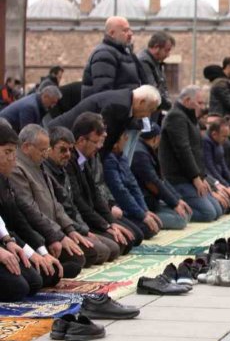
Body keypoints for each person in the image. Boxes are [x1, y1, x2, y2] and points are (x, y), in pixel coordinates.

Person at [10, 124, 87, 276]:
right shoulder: (16, 169)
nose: (46, 155)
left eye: (47, 149)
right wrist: (55, 237)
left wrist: (70, 229)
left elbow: (56, 202)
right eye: (43, 150)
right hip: (38, 232)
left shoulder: (38, 164)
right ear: (26, 147)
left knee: (91, 252)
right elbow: (30, 211)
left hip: (51, 230)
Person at [0, 122, 63, 295]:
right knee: (20, 287)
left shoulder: (3, 180)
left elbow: (17, 219)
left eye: (14, 152)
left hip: (7, 241)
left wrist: (37, 251)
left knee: (45, 275)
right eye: (8, 152)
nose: (13, 158)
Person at [44, 126, 119, 265]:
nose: (67, 154)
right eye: (62, 149)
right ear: (49, 149)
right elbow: (59, 209)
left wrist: (86, 229)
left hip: (74, 225)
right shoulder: (46, 171)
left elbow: (73, 205)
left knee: (115, 247)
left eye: (70, 150)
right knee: (101, 252)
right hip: (59, 230)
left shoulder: (63, 168)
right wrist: (77, 231)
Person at [65, 113, 136, 256]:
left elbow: (96, 194)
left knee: (130, 237)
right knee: (114, 247)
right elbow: (77, 201)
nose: (99, 146)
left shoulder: (88, 157)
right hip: (82, 220)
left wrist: (110, 222)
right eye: (96, 142)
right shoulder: (69, 160)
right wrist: (105, 225)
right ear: (81, 140)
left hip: (93, 215)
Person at [159, 86, 222, 222]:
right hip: (179, 179)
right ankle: (169, 208)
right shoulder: (176, 117)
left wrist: (202, 177)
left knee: (217, 210)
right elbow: (183, 150)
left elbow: (197, 153)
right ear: (187, 101)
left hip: (191, 177)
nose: (203, 107)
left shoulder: (190, 119)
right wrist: (195, 177)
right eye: (200, 103)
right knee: (208, 213)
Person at [49, 85, 161, 153]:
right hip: (60, 136)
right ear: (141, 102)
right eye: (150, 109)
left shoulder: (125, 100)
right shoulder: (120, 107)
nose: (147, 115)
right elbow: (102, 143)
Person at [102, 132, 162, 240]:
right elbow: (120, 192)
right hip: (119, 208)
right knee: (142, 231)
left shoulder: (122, 157)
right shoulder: (108, 160)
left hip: (131, 208)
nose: (127, 138)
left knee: (155, 224)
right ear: (115, 143)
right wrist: (142, 215)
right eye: (123, 136)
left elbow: (133, 186)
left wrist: (145, 211)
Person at [131, 124, 191, 230]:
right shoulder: (140, 154)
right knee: (180, 220)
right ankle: (141, 220)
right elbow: (153, 182)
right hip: (144, 201)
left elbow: (161, 179)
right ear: (156, 138)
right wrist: (174, 204)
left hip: (150, 199)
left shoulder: (145, 149)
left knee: (185, 213)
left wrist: (177, 200)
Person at [81, 16, 147, 99]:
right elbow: (104, 93)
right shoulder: (104, 55)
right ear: (112, 33)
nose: (130, 34)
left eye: (130, 30)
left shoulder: (126, 53)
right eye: (125, 30)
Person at [136, 32, 175, 111]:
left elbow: (163, 87)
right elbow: (152, 89)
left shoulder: (156, 63)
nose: (168, 55)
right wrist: (168, 105)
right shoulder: (144, 62)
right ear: (156, 47)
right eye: (166, 50)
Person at [203, 119, 230, 195]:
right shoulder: (206, 143)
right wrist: (227, 186)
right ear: (214, 134)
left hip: (220, 179)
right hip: (213, 181)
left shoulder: (219, 143)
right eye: (224, 136)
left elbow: (224, 167)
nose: (226, 139)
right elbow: (210, 168)